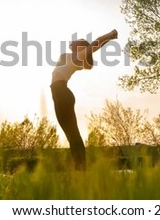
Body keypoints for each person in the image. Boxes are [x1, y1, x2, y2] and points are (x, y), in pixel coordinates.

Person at [50, 29, 118, 170]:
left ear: (80, 48)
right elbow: (89, 61)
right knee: (71, 134)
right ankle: (80, 167)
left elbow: (96, 43)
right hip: (60, 94)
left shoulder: (76, 57)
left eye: (75, 43)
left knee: (72, 134)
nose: (71, 44)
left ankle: (81, 168)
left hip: (61, 93)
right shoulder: (73, 59)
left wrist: (110, 36)